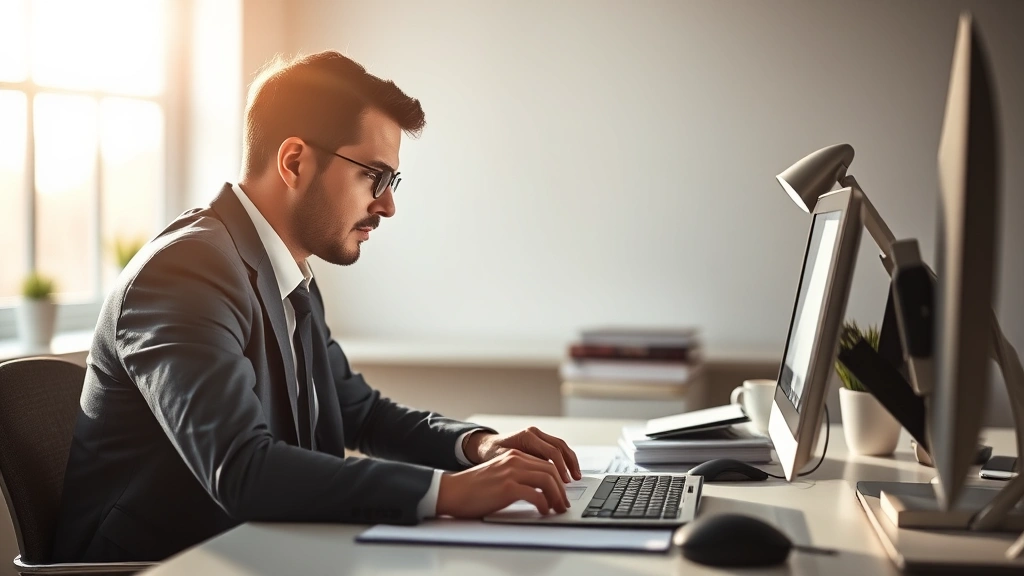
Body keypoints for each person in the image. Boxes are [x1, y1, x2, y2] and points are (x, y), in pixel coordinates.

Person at [52, 51, 580, 563]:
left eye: (392, 181)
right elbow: (242, 468)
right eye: (374, 176)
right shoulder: (186, 272)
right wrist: (448, 492)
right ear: (294, 161)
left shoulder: (288, 272)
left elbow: (359, 413)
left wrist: (478, 446)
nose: (389, 205)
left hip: (264, 551)